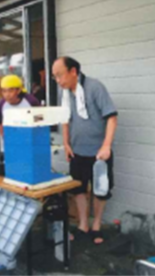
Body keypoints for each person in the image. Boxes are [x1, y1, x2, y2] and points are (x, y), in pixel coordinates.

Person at [52, 56, 118, 245]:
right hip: (77, 150)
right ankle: (83, 224)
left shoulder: (94, 87)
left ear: (73, 72)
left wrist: (106, 146)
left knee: (100, 190)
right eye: (55, 77)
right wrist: (66, 143)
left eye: (60, 75)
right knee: (79, 189)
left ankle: (96, 225)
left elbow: (112, 118)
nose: (58, 80)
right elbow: (65, 119)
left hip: (99, 152)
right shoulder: (64, 92)